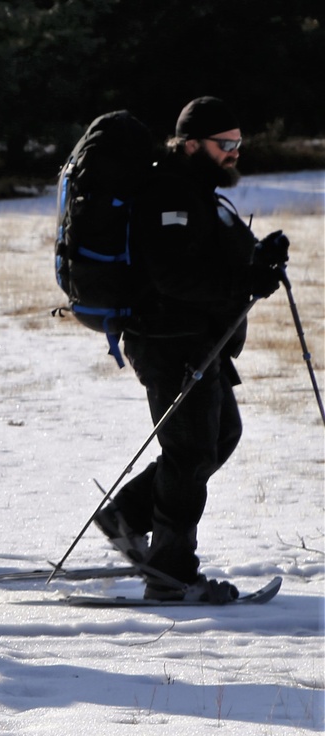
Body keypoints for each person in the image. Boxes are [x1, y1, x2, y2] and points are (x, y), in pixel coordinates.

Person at [93, 96, 290, 601]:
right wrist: (241, 284)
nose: (234, 153)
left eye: (238, 144)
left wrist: (258, 263)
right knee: (190, 451)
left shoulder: (198, 190)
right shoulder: (169, 192)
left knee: (220, 435)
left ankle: (127, 516)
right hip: (169, 342)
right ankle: (170, 574)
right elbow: (172, 275)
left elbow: (210, 261)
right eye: (225, 144)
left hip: (199, 340)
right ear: (190, 143)